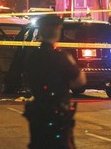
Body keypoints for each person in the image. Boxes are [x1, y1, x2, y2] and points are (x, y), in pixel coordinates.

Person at [23, 15, 86, 149]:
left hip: (38, 114)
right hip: (57, 116)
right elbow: (80, 81)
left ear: (40, 32)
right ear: (58, 31)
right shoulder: (62, 57)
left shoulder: (33, 57)